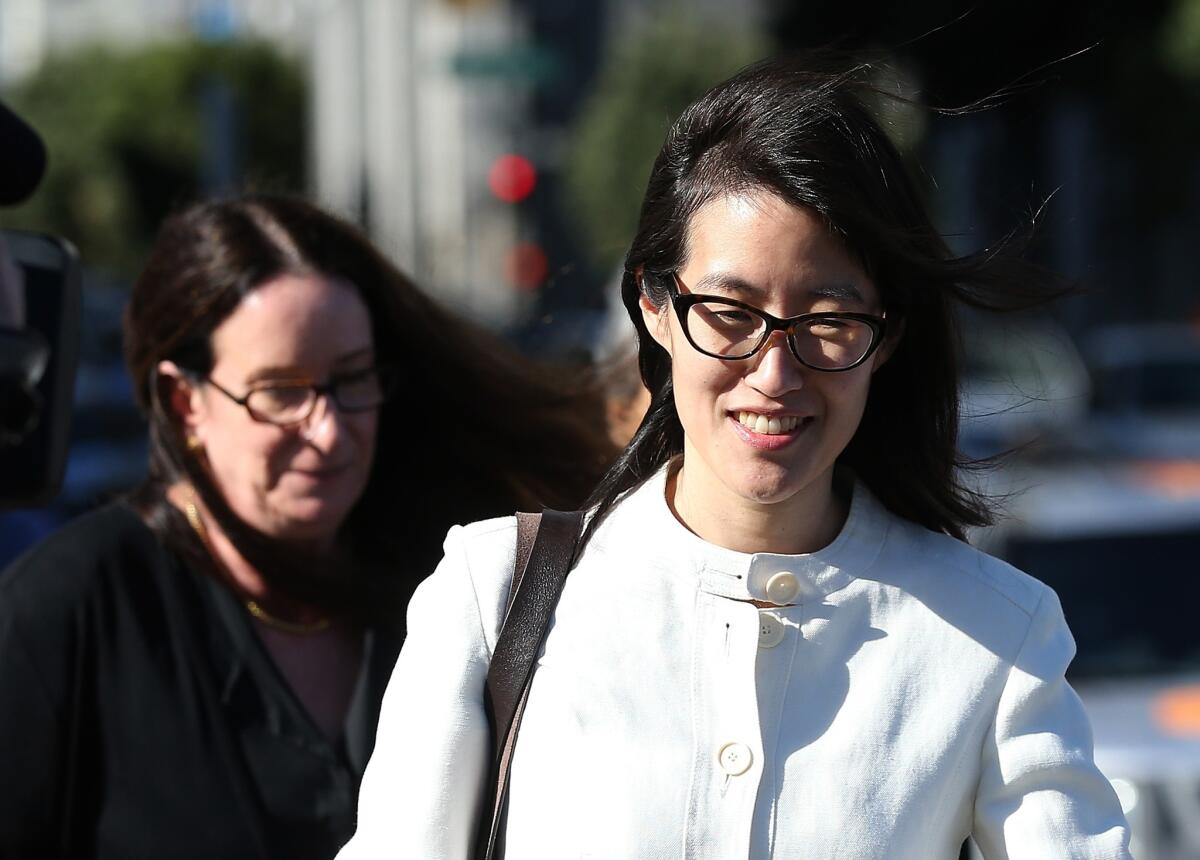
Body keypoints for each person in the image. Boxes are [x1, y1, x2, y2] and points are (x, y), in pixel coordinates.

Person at [339, 57, 1132, 859]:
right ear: (655, 305)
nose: (775, 373)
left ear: (886, 337)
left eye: (830, 321)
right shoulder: (493, 594)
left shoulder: (995, 633)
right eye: (729, 312)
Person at [0, 193, 614, 859]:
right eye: (281, 392)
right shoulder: (68, 609)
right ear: (186, 404)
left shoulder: (447, 585)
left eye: (352, 380)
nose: (326, 431)